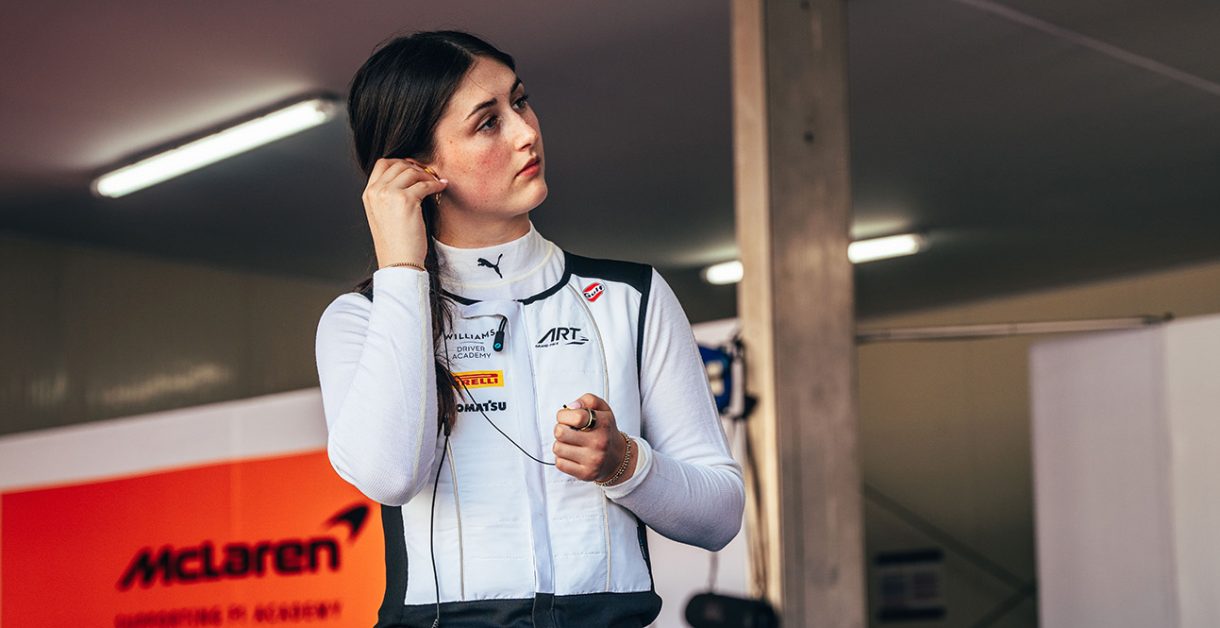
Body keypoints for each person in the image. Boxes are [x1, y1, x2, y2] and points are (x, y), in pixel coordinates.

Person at [314, 30, 745, 628]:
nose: (526, 132)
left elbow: (721, 517)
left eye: (519, 101)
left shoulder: (631, 296)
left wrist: (624, 463)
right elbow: (389, 476)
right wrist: (402, 271)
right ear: (418, 167)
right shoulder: (361, 318)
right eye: (488, 122)